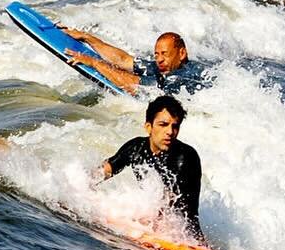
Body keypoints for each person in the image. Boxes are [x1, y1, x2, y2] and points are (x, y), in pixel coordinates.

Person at [98, 95, 203, 238]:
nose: (170, 132)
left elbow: (170, 203)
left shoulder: (185, 157)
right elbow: (105, 170)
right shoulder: (136, 148)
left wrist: (137, 220)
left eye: (175, 126)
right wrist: (77, 188)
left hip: (183, 232)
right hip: (152, 223)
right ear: (149, 127)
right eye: (163, 124)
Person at [59, 27, 203, 95]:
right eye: (156, 54)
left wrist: (95, 63)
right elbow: (123, 60)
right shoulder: (165, 67)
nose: (159, 59)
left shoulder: (180, 77)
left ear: (182, 53)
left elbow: (132, 85)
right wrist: (87, 38)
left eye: (164, 54)